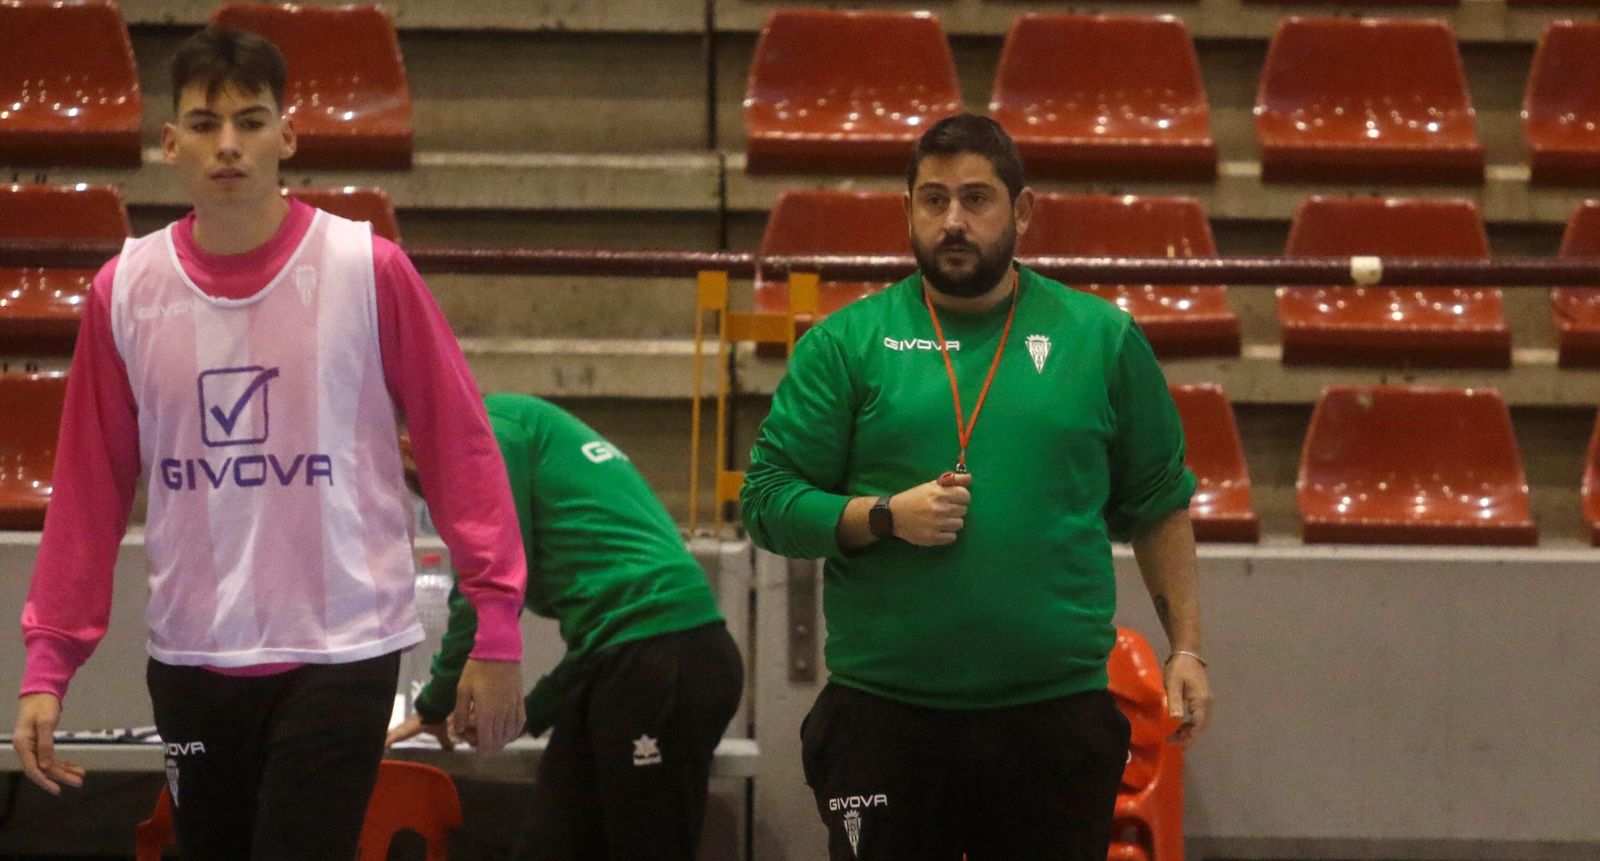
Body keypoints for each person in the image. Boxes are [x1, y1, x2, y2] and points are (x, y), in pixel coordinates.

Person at [10, 27, 527, 860]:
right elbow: (88, 489)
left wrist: (496, 625)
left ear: (287, 136)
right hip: (191, 657)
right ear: (169, 143)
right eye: (205, 123)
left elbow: (459, 445)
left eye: (251, 121)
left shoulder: (370, 268)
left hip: (342, 649)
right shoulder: (125, 291)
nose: (228, 144)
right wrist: (49, 660)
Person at [740, 113, 1213, 861]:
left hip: (1053, 719)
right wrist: (885, 515)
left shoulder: (1102, 339)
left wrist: (1186, 647)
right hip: (884, 718)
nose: (952, 220)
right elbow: (766, 500)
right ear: (908, 211)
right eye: (932, 200)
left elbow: (1158, 503)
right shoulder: (845, 344)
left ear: (1021, 211)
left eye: (975, 199)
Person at [387, 393, 744, 861]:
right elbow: (604, 645)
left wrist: (436, 700)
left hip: (664, 661)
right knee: (550, 846)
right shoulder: (521, 424)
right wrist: (526, 715)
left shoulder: (494, 433)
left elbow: (487, 581)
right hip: (637, 661)